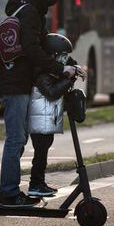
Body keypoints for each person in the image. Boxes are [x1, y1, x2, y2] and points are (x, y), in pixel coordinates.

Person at [0, 0, 76, 207]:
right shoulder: (30, 11)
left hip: (19, 81)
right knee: (16, 139)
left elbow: (36, 48)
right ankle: (9, 194)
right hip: (14, 83)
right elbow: (31, 49)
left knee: (21, 138)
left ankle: (16, 189)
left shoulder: (32, 10)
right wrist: (60, 70)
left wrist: (65, 66)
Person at [27, 34, 86, 197]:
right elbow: (52, 92)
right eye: (62, 55)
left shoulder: (52, 69)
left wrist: (75, 67)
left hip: (47, 117)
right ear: (52, 54)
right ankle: (35, 184)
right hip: (40, 119)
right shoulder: (42, 73)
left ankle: (39, 182)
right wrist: (71, 78)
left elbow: (68, 64)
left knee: (44, 149)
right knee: (41, 151)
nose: (65, 59)